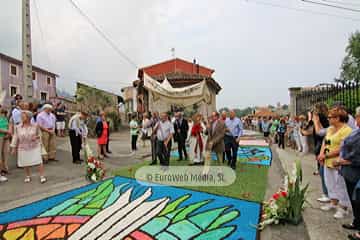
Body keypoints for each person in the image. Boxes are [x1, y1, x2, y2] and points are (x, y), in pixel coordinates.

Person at [318, 107, 352, 219]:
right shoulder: (330, 129)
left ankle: (343, 208)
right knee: (330, 183)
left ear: (338, 118)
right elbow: (325, 141)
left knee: (340, 185)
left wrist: (326, 155)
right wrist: (321, 154)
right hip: (328, 161)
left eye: (330, 117)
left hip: (339, 162)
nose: (328, 119)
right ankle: (333, 202)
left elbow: (342, 148)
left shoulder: (346, 130)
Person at [331, 106, 360, 236]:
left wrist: (340, 161)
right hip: (349, 169)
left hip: (355, 169)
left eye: (357, 116)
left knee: (357, 198)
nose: (355, 118)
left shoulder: (352, 131)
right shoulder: (356, 131)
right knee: (353, 198)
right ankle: (357, 221)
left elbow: (356, 155)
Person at [10, 110, 46, 183]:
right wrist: (13, 148)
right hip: (23, 147)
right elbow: (15, 137)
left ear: (29, 117)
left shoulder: (35, 126)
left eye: (23, 116)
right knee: (25, 162)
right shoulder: (18, 127)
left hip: (34, 146)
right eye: (21, 117)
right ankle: (27, 176)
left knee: (39, 161)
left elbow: (40, 135)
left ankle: (42, 175)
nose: (22, 118)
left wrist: (36, 137)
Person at [0, 108, 10, 181]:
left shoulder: (5, 118)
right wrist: (7, 131)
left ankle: (5, 168)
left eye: (4, 112)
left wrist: (8, 133)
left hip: (6, 136)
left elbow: (8, 126)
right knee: (0, 154)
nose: (3, 113)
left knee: (6, 152)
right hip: (0, 136)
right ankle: (1, 170)